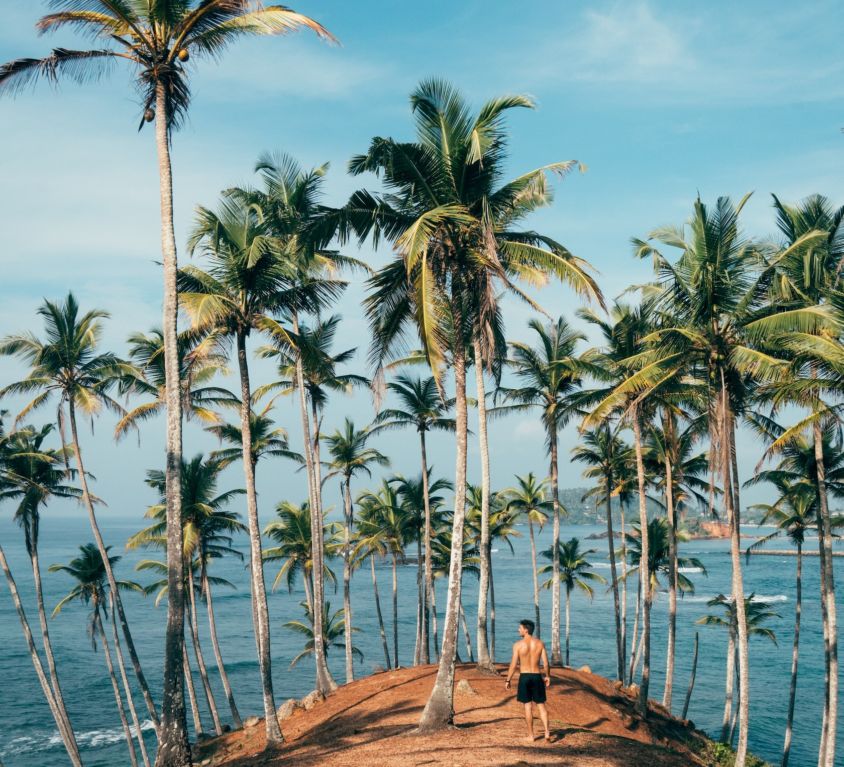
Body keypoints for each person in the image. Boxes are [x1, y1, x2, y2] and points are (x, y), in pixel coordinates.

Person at [505, 618, 552, 742]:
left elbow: (514, 665)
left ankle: (531, 736)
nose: (518, 630)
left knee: (527, 706)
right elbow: (546, 663)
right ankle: (547, 732)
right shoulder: (540, 644)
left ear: (526, 630)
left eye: (520, 628)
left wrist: (508, 680)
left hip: (525, 677)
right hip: (537, 676)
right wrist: (547, 676)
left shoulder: (518, 645)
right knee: (541, 705)